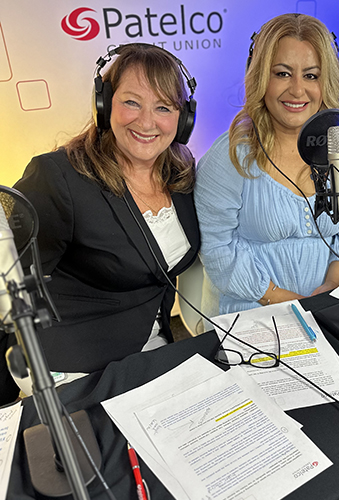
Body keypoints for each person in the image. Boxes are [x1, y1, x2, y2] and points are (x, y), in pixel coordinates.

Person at [6, 43, 200, 391]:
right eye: (131, 102)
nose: (146, 121)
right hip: (72, 363)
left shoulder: (181, 173)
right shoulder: (58, 177)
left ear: (183, 118)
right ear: (104, 103)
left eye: (163, 107)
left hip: (151, 345)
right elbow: (13, 283)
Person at [194, 13, 339, 317]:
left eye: (311, 75)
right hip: (253, 309)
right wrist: (291, 302)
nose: (298, 90)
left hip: (330, 302)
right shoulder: (230, 156)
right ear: (260, 76)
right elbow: (219, 252)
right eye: (282, 73)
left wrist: (329, 289)